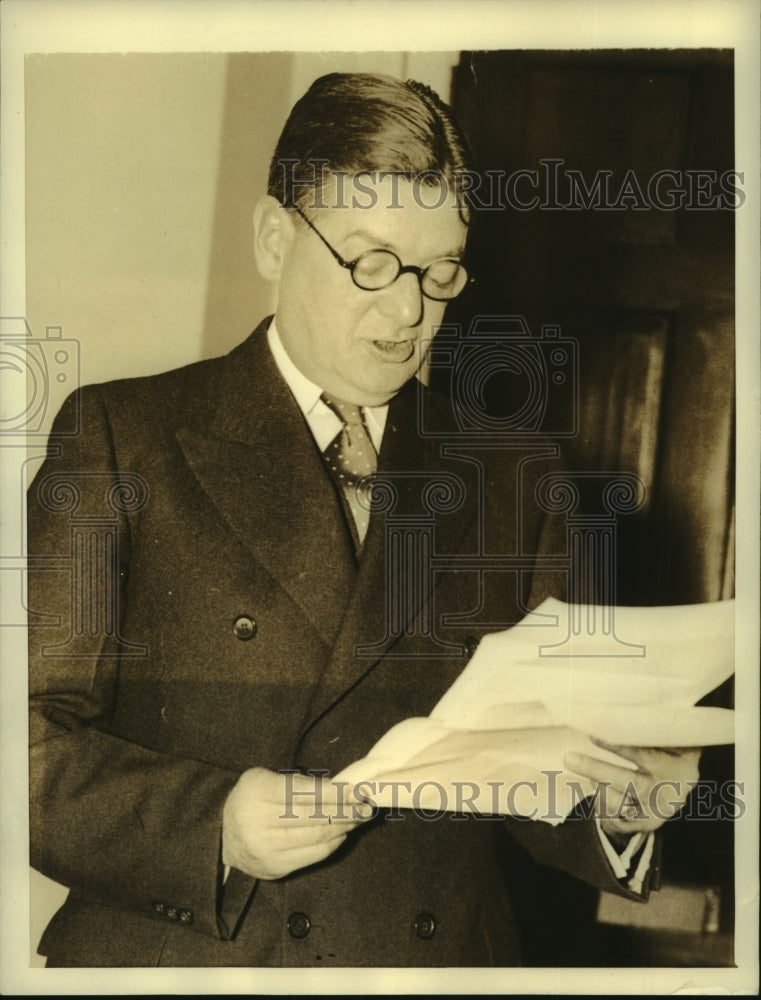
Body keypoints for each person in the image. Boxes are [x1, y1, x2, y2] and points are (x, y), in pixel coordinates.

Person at [28, 72, 699, 968]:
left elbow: (540, 775)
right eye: (370, 262)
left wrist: (619, 803)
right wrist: (215, 824)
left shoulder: (518, 474)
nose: (409, 310)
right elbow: (21, 744)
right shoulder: (123, 438)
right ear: (275, 239)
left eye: (440, 271)